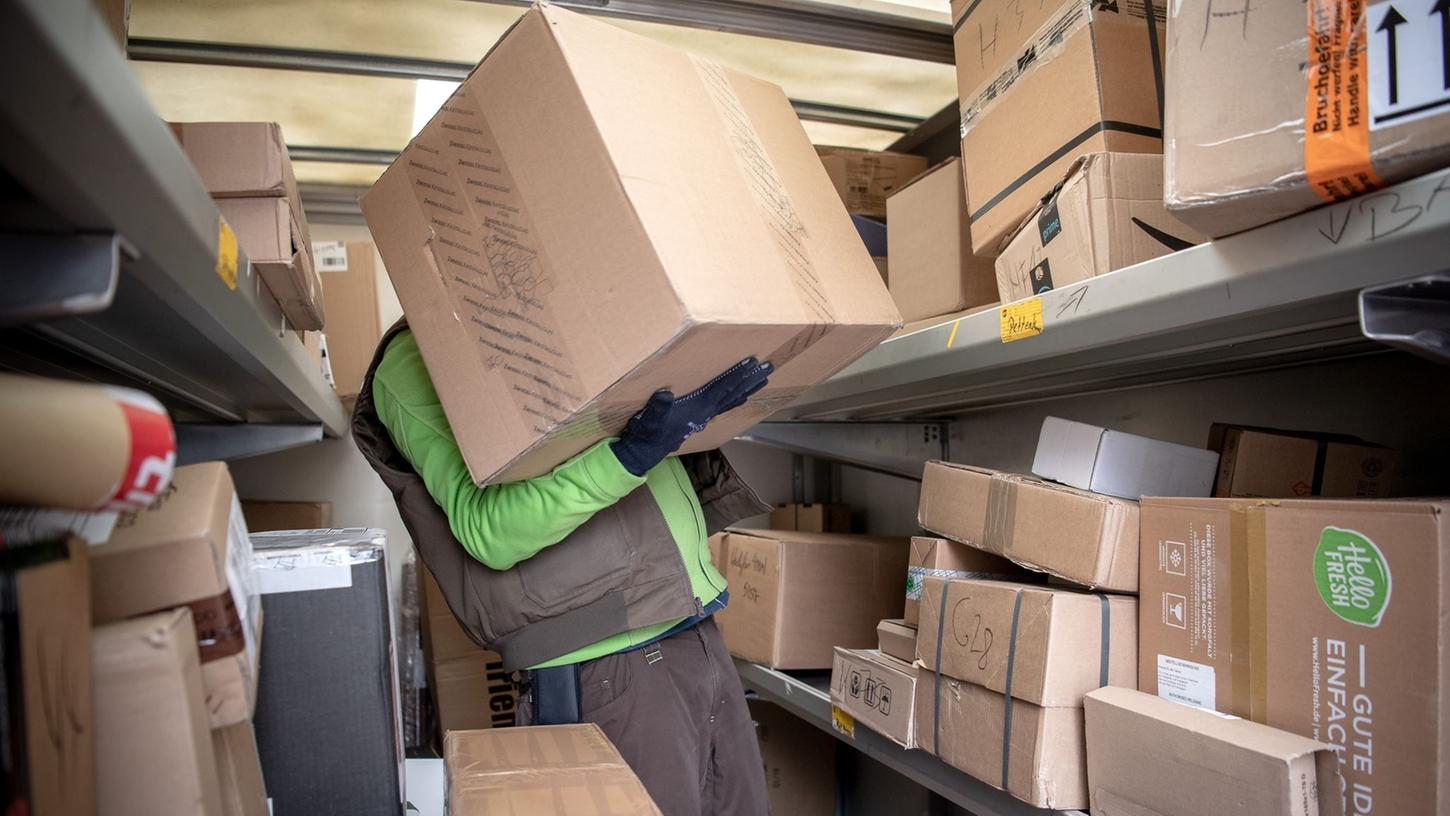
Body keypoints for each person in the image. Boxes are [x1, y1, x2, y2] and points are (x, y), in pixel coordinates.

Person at [352, 319, 774, 816]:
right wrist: (632, 455)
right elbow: (489, 530)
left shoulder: (565, 312)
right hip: (605, 661)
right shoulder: (415, 358)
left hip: (691, 625)